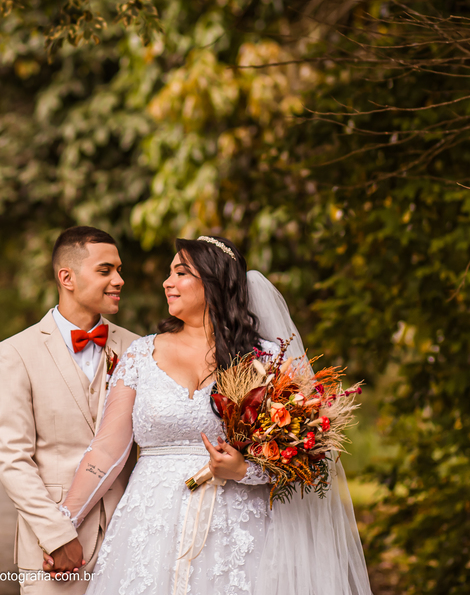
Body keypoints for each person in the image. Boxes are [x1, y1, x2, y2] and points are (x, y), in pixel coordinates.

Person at [60, 236, 373, 595]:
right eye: (169, 273)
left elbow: (305, 458)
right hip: (151, 526)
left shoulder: (266, 361)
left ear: (214, 282)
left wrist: (244, 470)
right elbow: (105, 451)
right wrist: (64, 523)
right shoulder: (140, 355)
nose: (167, 282)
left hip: (238, 532)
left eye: (181, 272)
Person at [0, 226, 142, 594]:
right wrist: (58, 536)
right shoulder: (15, 354)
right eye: (105, 270)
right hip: (52, 549)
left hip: (131, 538)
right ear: (66, 277)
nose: (119, 280)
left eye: (119, 270)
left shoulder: (139, 349)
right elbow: (12, 458)